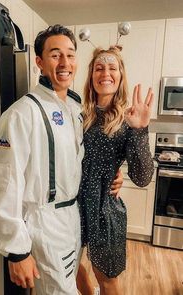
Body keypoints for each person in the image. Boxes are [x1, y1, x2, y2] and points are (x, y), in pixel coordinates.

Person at [0, 25, 123, 295]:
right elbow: (5, 183)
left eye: (71, 55)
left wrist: (113, 174)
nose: (65, 63)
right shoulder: (21, 114)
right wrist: (16, 251)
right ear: (39, 61)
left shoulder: (76, 108)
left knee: (70, 283)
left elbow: (81, 161)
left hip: (73, 218)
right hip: (44, 223)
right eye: (55, 55)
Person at [77, 46, 154, 295]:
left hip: (105, 208)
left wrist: (140, 130)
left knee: (107, 278)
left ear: (120, 76)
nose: (105, 73)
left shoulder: (127, 119)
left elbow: (142, 178)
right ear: (91, 76)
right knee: (71, 265)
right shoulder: (79, 114)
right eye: (99, 68)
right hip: (73, 204)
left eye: (112, 68)